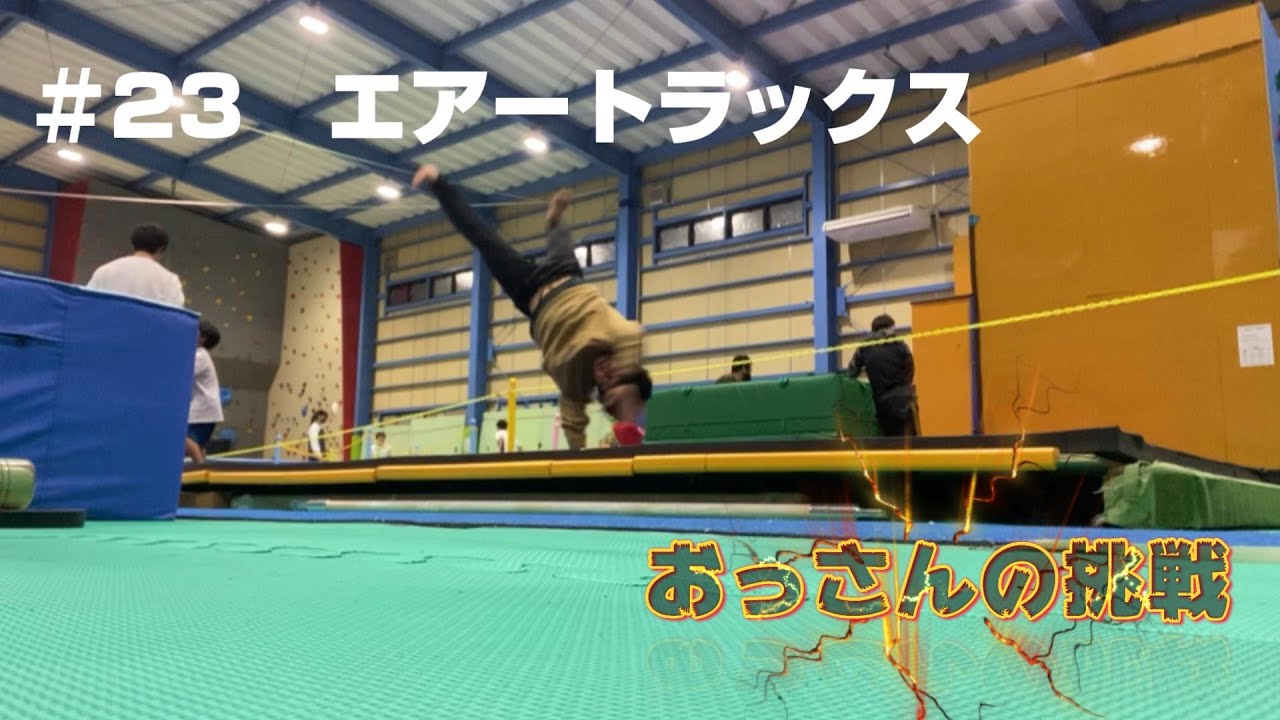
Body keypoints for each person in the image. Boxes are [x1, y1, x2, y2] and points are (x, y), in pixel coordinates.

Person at [412, 163, 652, 450]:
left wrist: (590, 451)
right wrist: (626, 387)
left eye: (604, 380)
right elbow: (635, 333)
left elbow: (574, 426)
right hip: (566, 274)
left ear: (596, 387)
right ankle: (554, 220)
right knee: (559, 239)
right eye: (614, 371)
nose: (605, 371)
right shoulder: (618, 337)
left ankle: (438, 183)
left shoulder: (576, 387)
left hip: (528, 292)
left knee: (484, 239)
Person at [848, 314, 919, 436]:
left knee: (888, 442)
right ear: (890, 328)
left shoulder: (865, 347)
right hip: (904, 402)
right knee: (911, 442)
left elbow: (852, 371)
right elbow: (910, 368)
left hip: (881, 405)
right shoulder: (900, 345)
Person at [86, 224, 185, 307]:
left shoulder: (105, 271)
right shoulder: (169, 281)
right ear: (161, 249)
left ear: (133, 244)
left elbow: (87, 304)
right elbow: (174, 316)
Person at [185, 319, 223, 464]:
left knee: (184, 438)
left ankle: (201, 469)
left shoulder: (200, 356)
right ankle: (203, 470)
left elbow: (184, 373)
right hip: (206, 407)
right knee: (198, 444)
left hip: (204, 407)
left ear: (203, 338)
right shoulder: (200, 355)